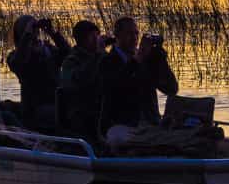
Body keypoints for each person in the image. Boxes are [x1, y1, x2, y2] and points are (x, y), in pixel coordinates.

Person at [97, 16, 178, 150]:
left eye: (136, 33)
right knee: (128, 139)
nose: (134, 38)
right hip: (119, 124)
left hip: (150, 123)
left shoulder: (145, 60)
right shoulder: (106, 62)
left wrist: (159, 60)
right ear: (117, 35)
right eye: (129, 33)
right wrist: (138, 59)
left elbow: (171, 89)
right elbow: (117, 88)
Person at [5, 15, 69, 130]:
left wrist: (52, 32)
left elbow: (68, 54)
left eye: (36, 28)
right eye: (31, 28)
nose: (35, 31)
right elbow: (21, 61)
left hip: (57, 102)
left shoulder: (48, 49)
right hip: (35, 109)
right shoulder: (14, 57)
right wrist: (27, 35)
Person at [59, 19, 110, 141]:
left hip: (103, 110)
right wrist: (98, 55)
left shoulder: (102, 57)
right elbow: (81, 80)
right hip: (82, 113)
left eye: (97, 36)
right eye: (92, 37)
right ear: (82, 40)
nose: (96, 40)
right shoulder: (71, 61)